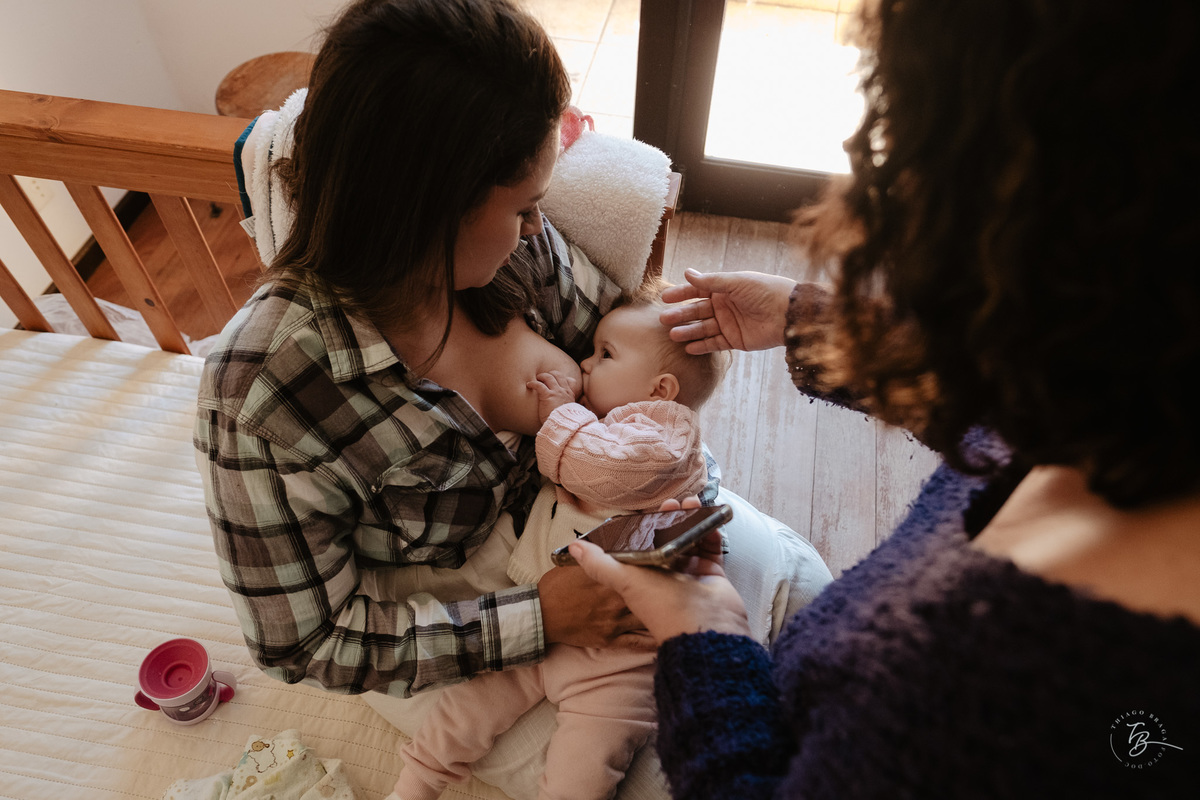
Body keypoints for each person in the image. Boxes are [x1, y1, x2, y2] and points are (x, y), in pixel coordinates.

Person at [193, 1, 832, 797]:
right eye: (525, 205)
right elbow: (303, 642)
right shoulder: (263, 395)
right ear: (426, 211)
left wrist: (668, 406)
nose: (542, 229)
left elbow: (618, 357)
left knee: (811, 605)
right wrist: (543, 616)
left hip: (597, 522)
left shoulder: (509, 261)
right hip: (460, 617)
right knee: (689, 759)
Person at [566, 1, 1200, 797]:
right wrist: (813, 323)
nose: (879, 178)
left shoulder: (1004, 691)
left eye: (914, 146)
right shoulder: (1132, 398)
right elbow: (1011, 413)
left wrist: (707, 643)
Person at [392, 294, 727, 800]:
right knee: (464, 711)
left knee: (584, 771)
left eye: (605, 354)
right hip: (540, 623)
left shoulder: (667, 439)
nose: (586, 363)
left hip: (618, 661)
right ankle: (416, 782)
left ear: (661, 389)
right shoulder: (614, 425)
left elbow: (604, 470)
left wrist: (560, 416)